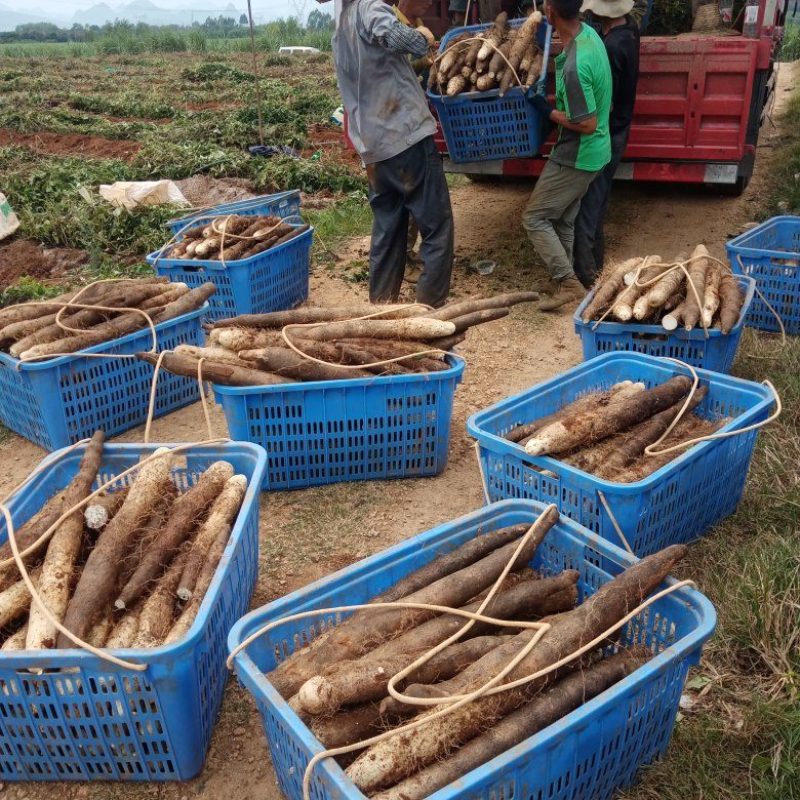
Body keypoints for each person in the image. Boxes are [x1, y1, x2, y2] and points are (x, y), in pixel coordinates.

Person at [333, 0, 454, 307]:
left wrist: (415, 64)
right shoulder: (369, 7)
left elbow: (378, 67)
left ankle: (381, 313)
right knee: (437, 229)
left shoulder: (342, 25)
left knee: (388, 234)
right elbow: (392, 35)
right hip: (405, 137)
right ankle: (428, 312)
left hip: (375, 149)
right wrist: (421, 39)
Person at [524, 0, 612, 311]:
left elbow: (586, 123)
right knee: (562, 218)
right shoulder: (588, 34)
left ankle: (569, 284)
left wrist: (547, 110)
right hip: (596, 150)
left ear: (550, 13)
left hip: (579, 152)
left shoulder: (577, 64)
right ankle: (562, 278)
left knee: (534, 218)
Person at [572, 0, 640, 287]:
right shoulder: (631, 31)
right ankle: (597, 263)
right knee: (598, 201)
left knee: (589, 204)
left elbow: (605, 102)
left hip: (607, 133)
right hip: (620, 130)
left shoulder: (611, 48)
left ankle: (586, 274)